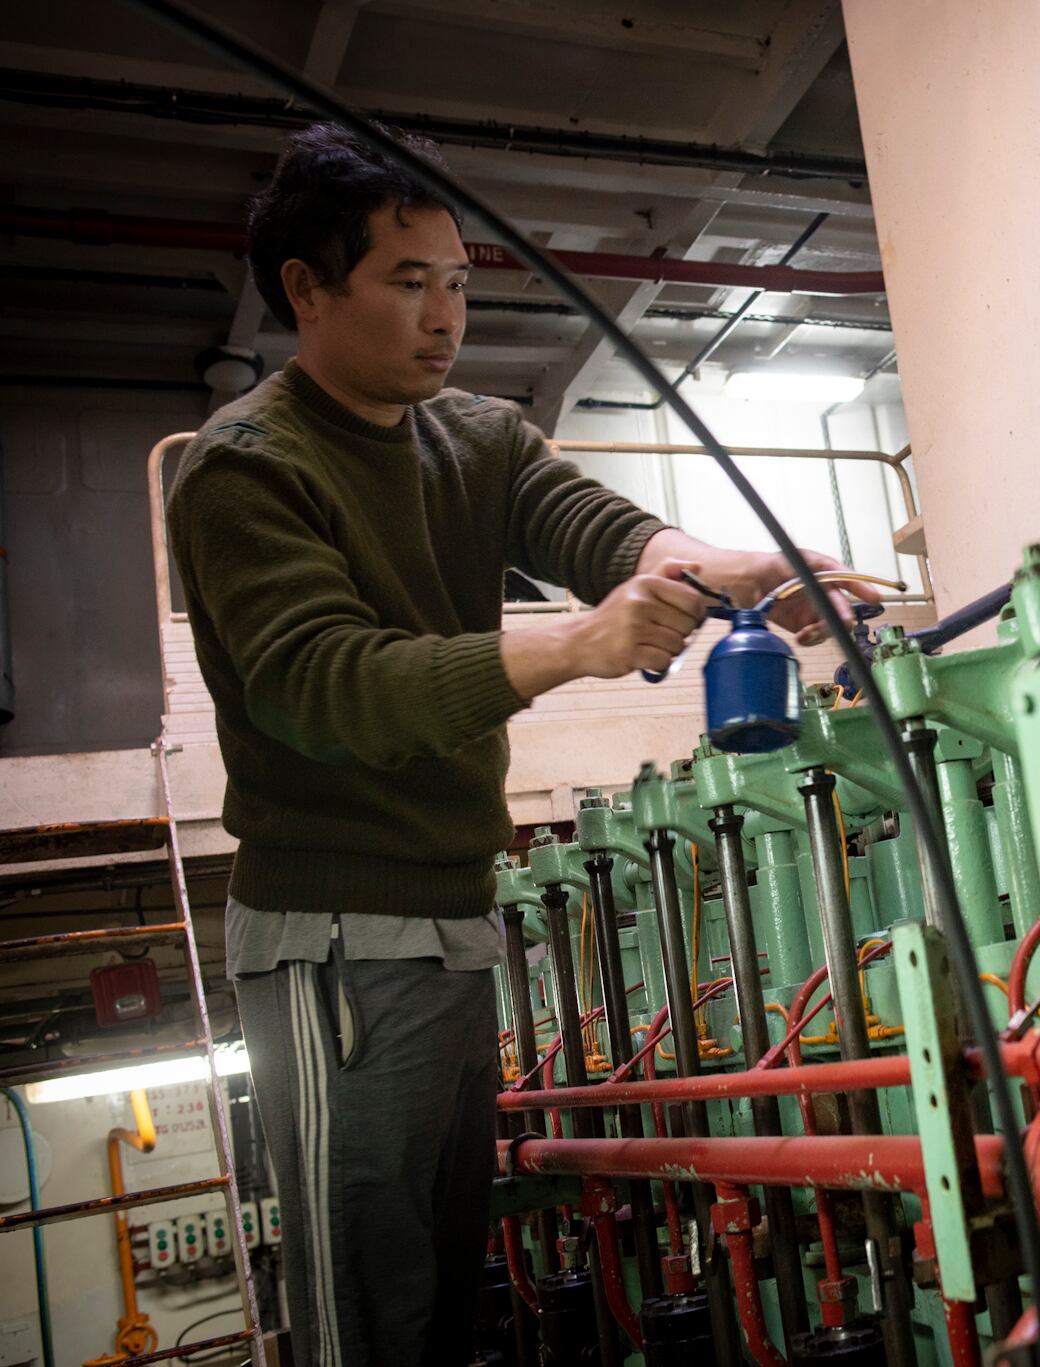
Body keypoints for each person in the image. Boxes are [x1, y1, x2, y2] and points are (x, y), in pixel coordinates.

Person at [167, 120, 874, 1366]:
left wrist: (743, 567)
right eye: (405, 281)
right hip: (334, 944)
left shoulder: (476, 436)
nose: (445, 316)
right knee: (371, 1312)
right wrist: (573, 649)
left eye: (457, 282)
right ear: (307, 291)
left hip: (451, 920)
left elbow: (612, 535)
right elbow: (326, 685)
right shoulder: (242, 468)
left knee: (442, 1286)